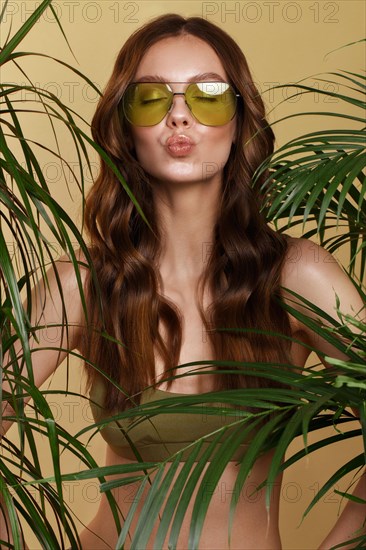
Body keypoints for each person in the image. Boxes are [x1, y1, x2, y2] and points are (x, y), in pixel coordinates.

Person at [1, 13, 365, 550]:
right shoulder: (81, 285)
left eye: (209, 95)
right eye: (151, 98)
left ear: (240, 119)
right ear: (124, 125)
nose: (179, 117)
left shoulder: (296, 277)